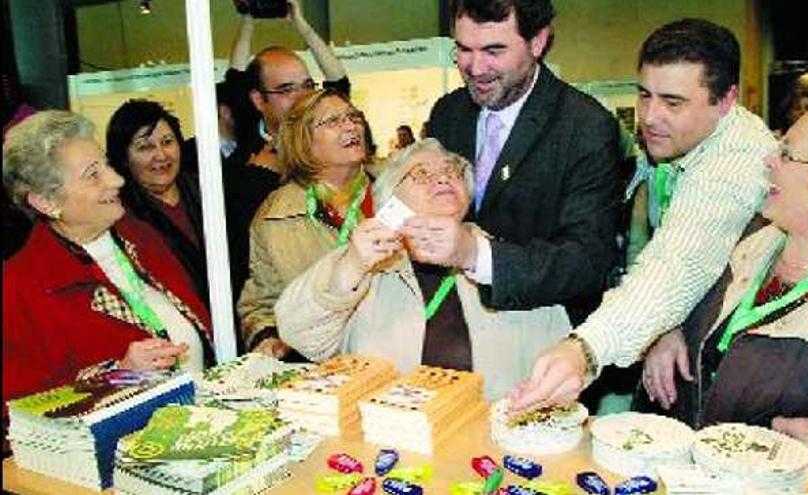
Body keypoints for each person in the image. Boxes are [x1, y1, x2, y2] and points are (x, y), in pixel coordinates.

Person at [508, 18, 777, 415]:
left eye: (672, 102)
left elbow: (677, 263)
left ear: (725, 100)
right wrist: (663, 325)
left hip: (737, 371)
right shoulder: (677, 139)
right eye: (645, 95)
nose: (650, 117)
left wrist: (583, 350)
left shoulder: (737, 163)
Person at [640, 93, 808, 484]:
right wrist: (668, 327)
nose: (768, 160)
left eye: (787, 154)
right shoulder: (748, 242)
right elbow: (686, 298)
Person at [274, 139, 571, 399]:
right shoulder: (365, 261)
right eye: (422, 174)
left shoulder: (500, 260)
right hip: (388, 441)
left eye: (451, 171)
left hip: (488, 442)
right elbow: (302, 335)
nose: (442, 179)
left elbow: (560, 354)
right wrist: (351, 266)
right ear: (391, 200)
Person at [424, 0, 622, 326]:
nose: (474, 68)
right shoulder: (448, 113)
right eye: (463, 49)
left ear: (538, 42)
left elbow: (587, 259)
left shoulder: (584, 126)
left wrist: (477, 255)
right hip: (450, 324)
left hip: (538, 331)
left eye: (493, 50)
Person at [3, 111, 213, 407]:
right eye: (93, 174)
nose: (116, 180)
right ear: (45, 201)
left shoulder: (141, 237)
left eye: (107, 165)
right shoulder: (18, 289)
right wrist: (118, 377)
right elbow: (23, 412)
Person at [222, 0, 351, 307]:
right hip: (273, 292)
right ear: (258, 100)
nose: (303, 97)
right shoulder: (248, 151)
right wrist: (250, 19)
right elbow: (235, 79)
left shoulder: (325, 136)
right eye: (286, 89)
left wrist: (300, 23)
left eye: (307, 85)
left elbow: (339, 81)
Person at [237, 89, 371, 359]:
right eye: (333, 121)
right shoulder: (275, 217)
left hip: (393, 358)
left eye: (353, 117)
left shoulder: (395, 191)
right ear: (304, 141)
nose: (350, 126)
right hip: (324, 367)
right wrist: (267, 338)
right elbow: (260, 304)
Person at [106, 99, 209, 305]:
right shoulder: (118, 216)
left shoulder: (207, 191)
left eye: (167, 142)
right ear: (123, 158)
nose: (161, 155)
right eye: (145, 147)